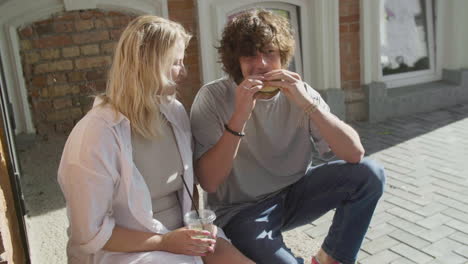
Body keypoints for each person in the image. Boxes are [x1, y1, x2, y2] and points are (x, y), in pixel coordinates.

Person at [190, 10, 386, 264]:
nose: (261, 64)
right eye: (250, 54)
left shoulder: (300, 93)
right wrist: (239, 116)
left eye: (269, 53)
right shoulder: (213, 98)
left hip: (296, 193)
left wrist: (309, 105)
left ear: (282, 56)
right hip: (242, 210)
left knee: (370, 174)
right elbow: (209, 182)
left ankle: (331, 258)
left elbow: (354, 153)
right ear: (234, 61)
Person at [58, 15, 253, 264]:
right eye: (175, 62)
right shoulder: (94, 135)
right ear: (149, 65)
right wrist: (165, 242)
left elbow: (187, 184)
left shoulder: (174, 111)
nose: (183, 71)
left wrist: (199, 224)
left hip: (182, 236)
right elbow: (89, 234)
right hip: (126, 250)